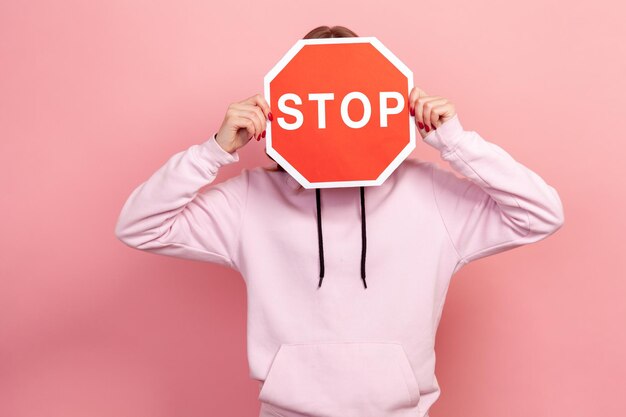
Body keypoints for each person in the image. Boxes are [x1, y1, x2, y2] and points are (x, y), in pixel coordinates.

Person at [115, 25, 564, 417]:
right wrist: (214, 151)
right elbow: (140, 224)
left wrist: (455, 142)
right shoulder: (252, 198)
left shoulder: (429, 193)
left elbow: (540, 214)